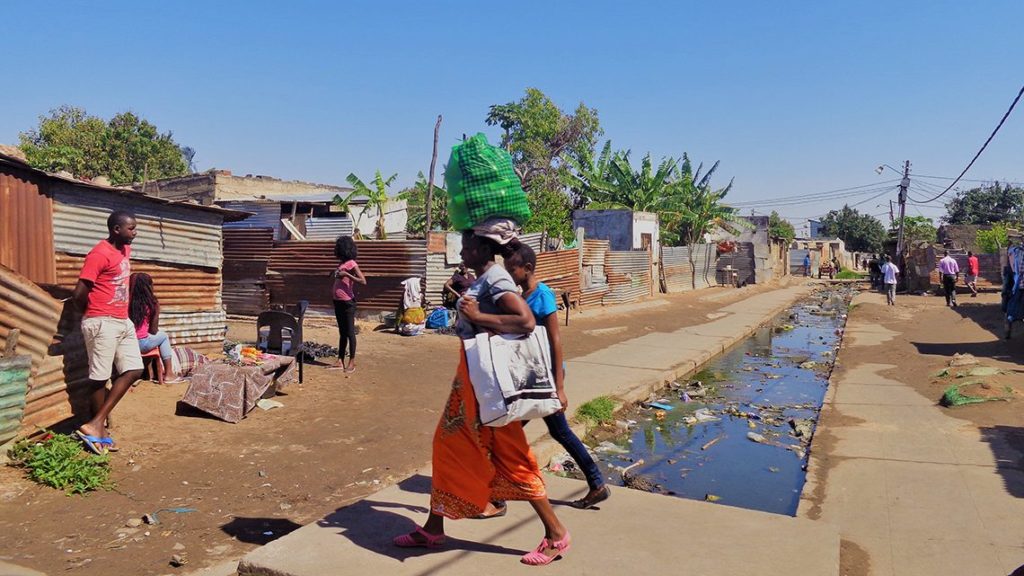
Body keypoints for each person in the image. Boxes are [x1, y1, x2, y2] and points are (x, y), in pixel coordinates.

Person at [393, 224, 571, 566]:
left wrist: (478, 316)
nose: (461, 253)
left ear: (484, 250)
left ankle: (556, 533)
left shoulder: (497, 279)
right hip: (471, 387)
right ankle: (433, 528)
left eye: (467, 247)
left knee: (512, 458)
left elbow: (525, 321)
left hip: (491, 392)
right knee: (448, 448)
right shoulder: (485, 278)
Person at [504, 243, 610, 510]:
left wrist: (559, 387)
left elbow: (556, 340)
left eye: (512, 269)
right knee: (546, 432)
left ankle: (499, 489)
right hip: (531, 377)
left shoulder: (543, 296)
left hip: (545, 379)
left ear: (527, 269)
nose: (509, 273)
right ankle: (596, 484)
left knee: (512, 432)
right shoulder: (523, 295)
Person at [71, 210, 144, 454]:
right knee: (100, 377)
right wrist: (92, 315)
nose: (135, 232)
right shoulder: (99, 254)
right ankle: (98, 428)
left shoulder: (124, 249)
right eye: (131, 228)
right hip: (101, 320)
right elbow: (79, 294)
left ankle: (95, 423)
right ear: (116, 230)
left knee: (135, 369)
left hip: (122, 321)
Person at [128, 272, 184, 385]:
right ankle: (169, 374)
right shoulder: (152, 303)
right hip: (142, 344)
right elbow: (153, 330)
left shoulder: (126, 302)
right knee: (163, 336)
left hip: (127, 343)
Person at [330, 236, 366, 373]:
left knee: (350, 332)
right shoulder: (341, 264)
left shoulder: (352, 263)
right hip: (338, 301)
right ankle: (340, 360)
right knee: (342, 332)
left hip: (347, 302)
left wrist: (347, 275)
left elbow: (363, 281)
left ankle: (352, 361)